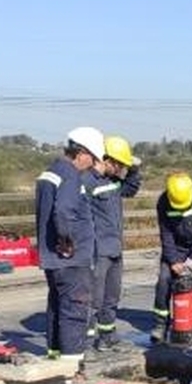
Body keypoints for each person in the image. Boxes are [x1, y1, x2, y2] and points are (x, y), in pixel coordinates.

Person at [34, 126, 103, 379]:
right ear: (82, 153)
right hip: (71, 259)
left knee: (57, 306)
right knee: (74, 309)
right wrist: (67, 239)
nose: (92, 165)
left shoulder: (50, 172)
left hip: (53, 259)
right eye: (93, 159)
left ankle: (55, 359)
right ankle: (72, 371)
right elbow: (63, 212)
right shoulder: (71, 175)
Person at [83, 135, 141, 354]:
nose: (121, 170)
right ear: (107, 160)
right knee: (93, 299)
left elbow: (131, 189)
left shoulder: (114, 182)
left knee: (111, 296)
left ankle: (107, 335)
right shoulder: (87, 182)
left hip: (115, 248)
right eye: (120, 165)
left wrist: (134, 170)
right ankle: (85, 343)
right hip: (97, 251)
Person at [151, 172, 192, 343]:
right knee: (164, 280)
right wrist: (173, 260)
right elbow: (166, 234)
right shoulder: (163, 202)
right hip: (175, 249)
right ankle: (161, 324)